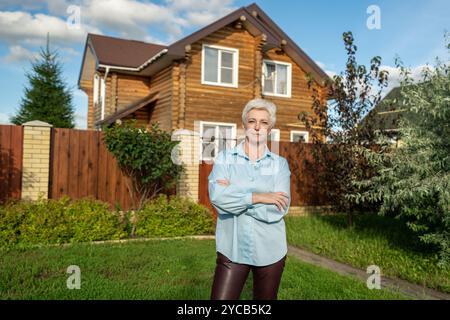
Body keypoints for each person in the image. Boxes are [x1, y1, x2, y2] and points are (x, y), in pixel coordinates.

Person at [208, 98, 291, 300]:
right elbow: (217, 197)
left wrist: (236, 196)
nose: (257, 127)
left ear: (270, 128)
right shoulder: (224, 159)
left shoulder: (279, 164)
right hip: (232, 247)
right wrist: (259, 197)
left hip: (271, 249)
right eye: (252, 121)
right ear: (244, 125)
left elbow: (279, 207)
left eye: (263, 122)